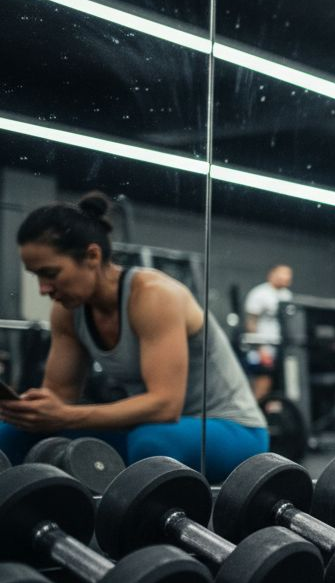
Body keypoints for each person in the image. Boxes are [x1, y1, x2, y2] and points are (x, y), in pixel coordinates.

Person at [0, 192, 269, 483]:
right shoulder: (68, 311)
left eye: (50, 273)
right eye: (36, 276)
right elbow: (59, 397)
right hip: (148, 426)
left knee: (152, 443)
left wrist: (63, 415)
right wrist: (30, 410)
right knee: (13, 433)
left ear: (92, 256)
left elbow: (164, 405)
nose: (43, 288)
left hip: (231, 429)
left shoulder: (153, 295)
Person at [243, 263, 293, 399]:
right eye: (282, 273)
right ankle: (253, 415)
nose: (286, 277)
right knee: (262, 382)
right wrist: (261, 349)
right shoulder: (260, 293)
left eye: (288, 274)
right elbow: (251, 322)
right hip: (262, 349)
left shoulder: (287, 296)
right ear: (272, 274)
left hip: (280, 349)